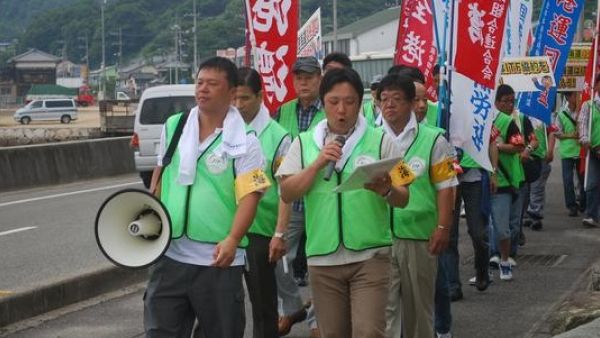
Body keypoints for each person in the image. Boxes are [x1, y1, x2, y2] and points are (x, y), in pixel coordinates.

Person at [277, 67, 410, 338]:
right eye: (334, 102)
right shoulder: (303, 144)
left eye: (349, 102)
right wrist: (317, 164)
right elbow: (287, 192)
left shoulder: (381, 141)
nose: (341, 110)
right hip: (323, 259)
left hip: (370, 255)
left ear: (360, 104)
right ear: (323, 102)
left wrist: (386, 190)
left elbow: (404, 197)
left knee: (368, 332)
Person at [145, 57, 269, 338]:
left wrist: (233, 239)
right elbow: (161, 173)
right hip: (171, 256)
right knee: (160, 331)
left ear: (231, 92)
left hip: (218, 261)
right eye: (200, 82)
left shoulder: (247, 141)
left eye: (212, 84)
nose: (203, 89)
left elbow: (251, 196)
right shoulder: (174, 126)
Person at [380, 74, 458, 338]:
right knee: (384, 312)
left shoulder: (435, 140)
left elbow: (447, 186)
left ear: (412, 103)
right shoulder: (372, 137)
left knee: (418, 312)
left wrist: (443, 227)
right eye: (384, 99)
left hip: (419, 236)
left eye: (396, 99)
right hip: (378, 237)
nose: (389, 105)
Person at [234, 67, 291, 338]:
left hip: (259, 229)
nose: (238, 105)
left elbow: (286, 189)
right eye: (234, 98)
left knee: (262, 303)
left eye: (244, 98)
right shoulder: (224, 128)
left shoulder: (278, 136)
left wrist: (279, 232)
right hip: (225, 227)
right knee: (218, 301)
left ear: (260, 96)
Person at [274, 56, 323, 336]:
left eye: (309, 76)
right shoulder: (283, 111)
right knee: (278, 258)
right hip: (289, 201)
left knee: (319, 262)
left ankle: (317, 320)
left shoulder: (330, 109)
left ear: (319, 78)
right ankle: (292, 306)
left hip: (319, 199)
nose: (303, 82)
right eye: (298, 77)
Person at [489, 84, 526, 281]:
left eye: (512, 101)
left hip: (503, 181)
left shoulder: (508, 121)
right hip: (478, 180)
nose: (510, 105)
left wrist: (498, 145)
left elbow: (519, 145)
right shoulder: (478, 120)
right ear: (495, 102)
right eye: (506, 101)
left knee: (503, 226)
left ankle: (504, 260)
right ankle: (484, 267)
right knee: (481, 230)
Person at [554, 91, 585, 217]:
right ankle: (571, 206)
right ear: (567, 97)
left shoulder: (582, 110)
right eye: (573, 95)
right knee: (568, 181)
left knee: (582, 179)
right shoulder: (561, 113)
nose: (576, 97)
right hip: (567, 152)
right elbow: (557, 133)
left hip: (580, 151)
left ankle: (583, 203)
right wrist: (571, 135)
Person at [577, 74, 600, 227]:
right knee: (591, 184)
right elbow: (582, 125)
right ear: (596, 86)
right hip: (594, 151)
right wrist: (587, 142)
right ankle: (592, 215)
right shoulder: (588, 105)